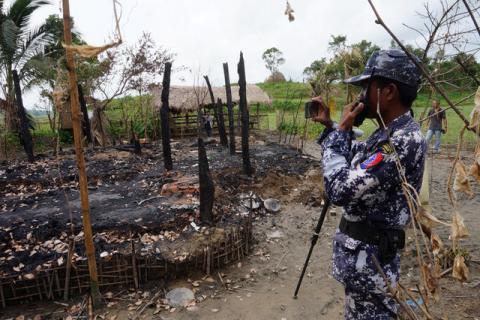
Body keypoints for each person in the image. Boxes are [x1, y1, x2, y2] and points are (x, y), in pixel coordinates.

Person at [311, 49, 427, 319]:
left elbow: (338, 189)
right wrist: (332, 127)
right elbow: (358, 161)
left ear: (388, 91)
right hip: (363, 263)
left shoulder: (402, 141)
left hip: (372, 264)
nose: (361, 95)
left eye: (366, 86)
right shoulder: (388, 134)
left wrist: (341, 132)